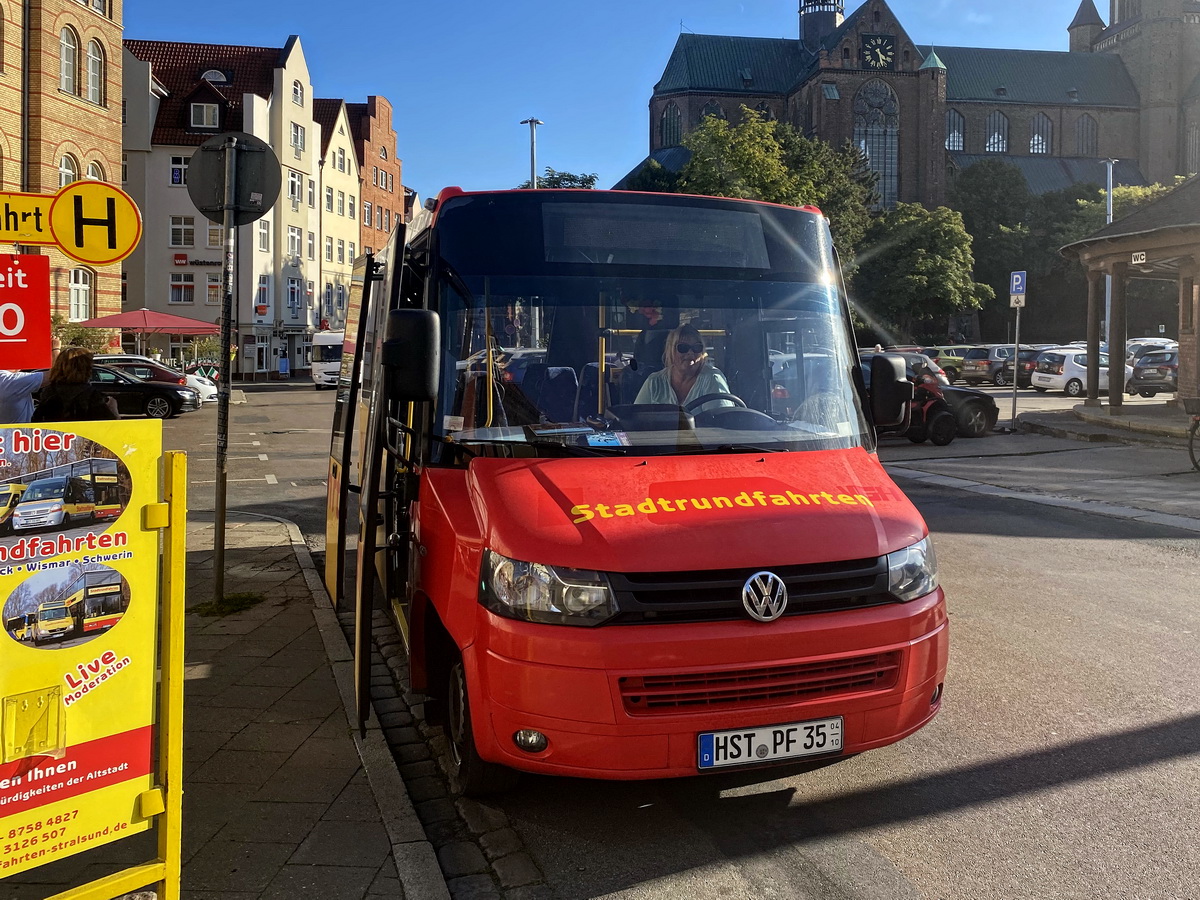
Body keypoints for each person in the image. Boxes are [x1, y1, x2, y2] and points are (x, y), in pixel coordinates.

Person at [634, 323, 734, 412]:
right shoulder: (654, 381)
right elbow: (636, 418)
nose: (690, 353)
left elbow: (721, 423)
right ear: (671, 350)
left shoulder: (713, 378)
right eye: (683, 348)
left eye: (696, 348)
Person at [31, 348, 118, 422]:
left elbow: (37, 423)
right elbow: (109, 431)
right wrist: (114, 411)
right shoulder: (92, 396)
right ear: (86, 368)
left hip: (56, 440)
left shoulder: (49, 392)